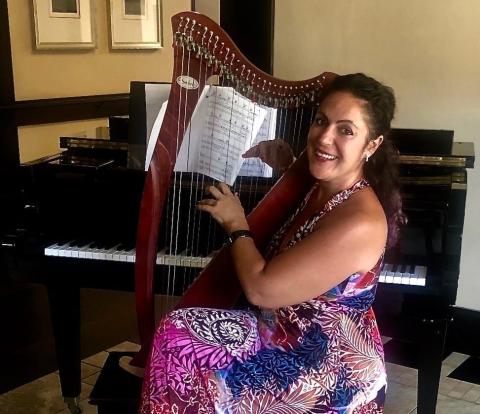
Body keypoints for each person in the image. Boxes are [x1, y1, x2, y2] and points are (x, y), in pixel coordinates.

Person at [139, 73, 404, 413]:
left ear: (372, 145)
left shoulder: (360, 220)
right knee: (182, 338)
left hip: (321, 362)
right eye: (321, 121)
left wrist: (237, 223)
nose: (324, 137)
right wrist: (285, 165)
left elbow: (261, 290)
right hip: (285, 329)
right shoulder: (319, 185)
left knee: (177, 335)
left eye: (345, 130)